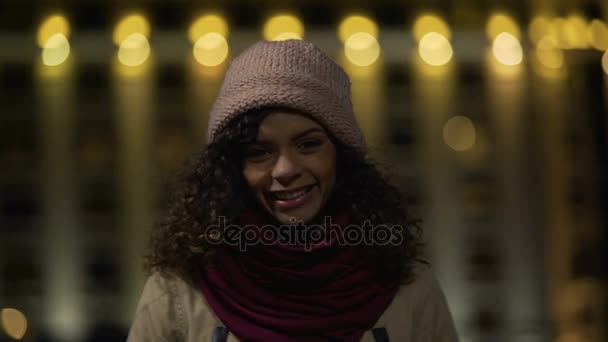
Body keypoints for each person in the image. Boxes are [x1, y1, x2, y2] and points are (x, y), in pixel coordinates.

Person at [127, 39, 459, 342]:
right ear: (231, 169)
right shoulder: (175, 293)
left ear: (341, 156)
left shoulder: (410, 288)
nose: (285, 170)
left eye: (308, 144)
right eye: (260, 152)